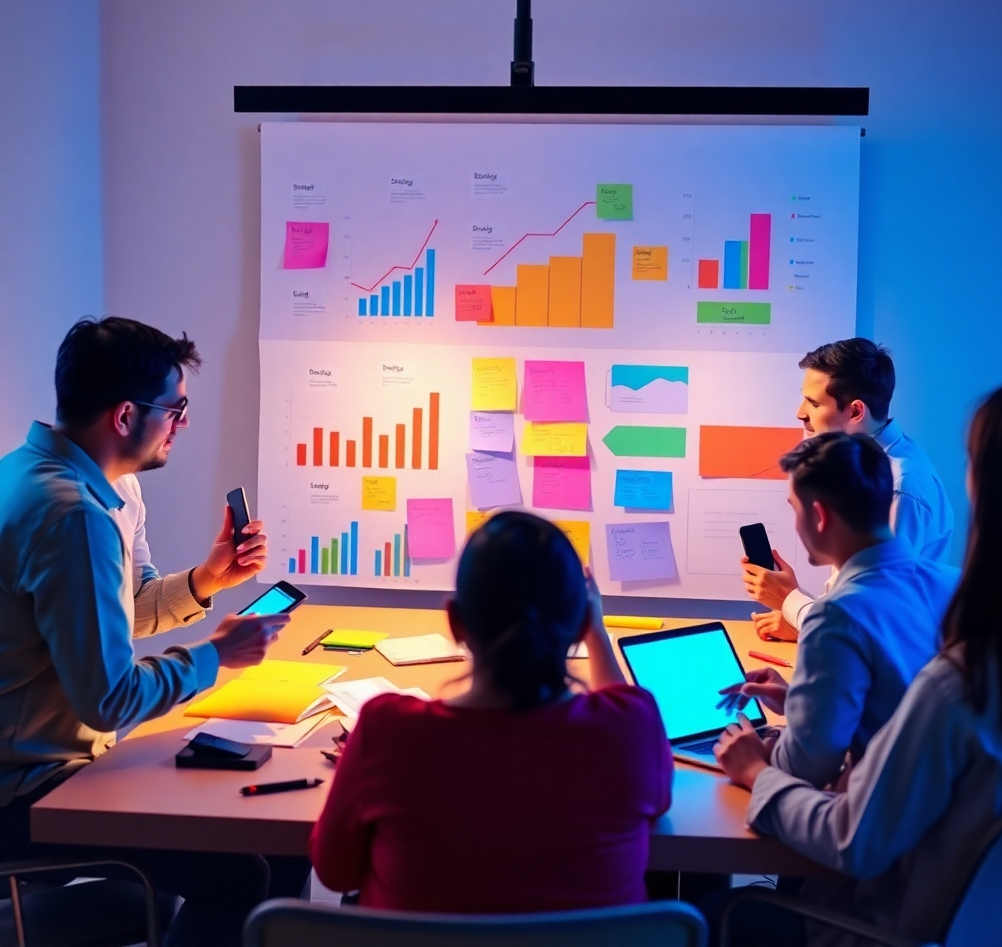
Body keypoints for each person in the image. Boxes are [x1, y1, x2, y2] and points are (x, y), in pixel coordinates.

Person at [0, 317, 300, 947]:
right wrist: (215, 657)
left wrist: (207, 579)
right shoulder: (72, 515)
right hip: (28, 792)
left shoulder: (41, 475)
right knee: (242, 872)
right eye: (176, 408)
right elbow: (108, 698)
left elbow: (109, 612)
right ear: (126, 415)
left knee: (264, 822)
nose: (182, 425)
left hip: (44, 761)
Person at [715, 383, 1002, 947]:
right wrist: (809, 700)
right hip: (989, 928)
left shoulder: (951, 681)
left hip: (886, 923)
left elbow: (851, 837)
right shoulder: (954, 598)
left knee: (720, 909)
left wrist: (756, 773)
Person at [310, 511, 673, 912]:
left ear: (455, 622)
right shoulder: (631, 726)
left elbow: (335, 873)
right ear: (581, 621)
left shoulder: (387, 731)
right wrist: (596, 629)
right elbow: (646, 780)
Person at [719, 433, 958, 789]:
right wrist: (804, 703)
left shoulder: (835, 616)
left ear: (818, 516)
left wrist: (755, 760)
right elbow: (895, 701)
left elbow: (804, 769)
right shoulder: (954, 584)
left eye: (794, 509)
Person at [742, 338, 954, 642]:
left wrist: (789, 600)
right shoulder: (877, 463)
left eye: (814, 403)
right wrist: (805, 621)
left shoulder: (896, 489)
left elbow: (873, 622)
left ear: (855, 411)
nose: (800, 413)